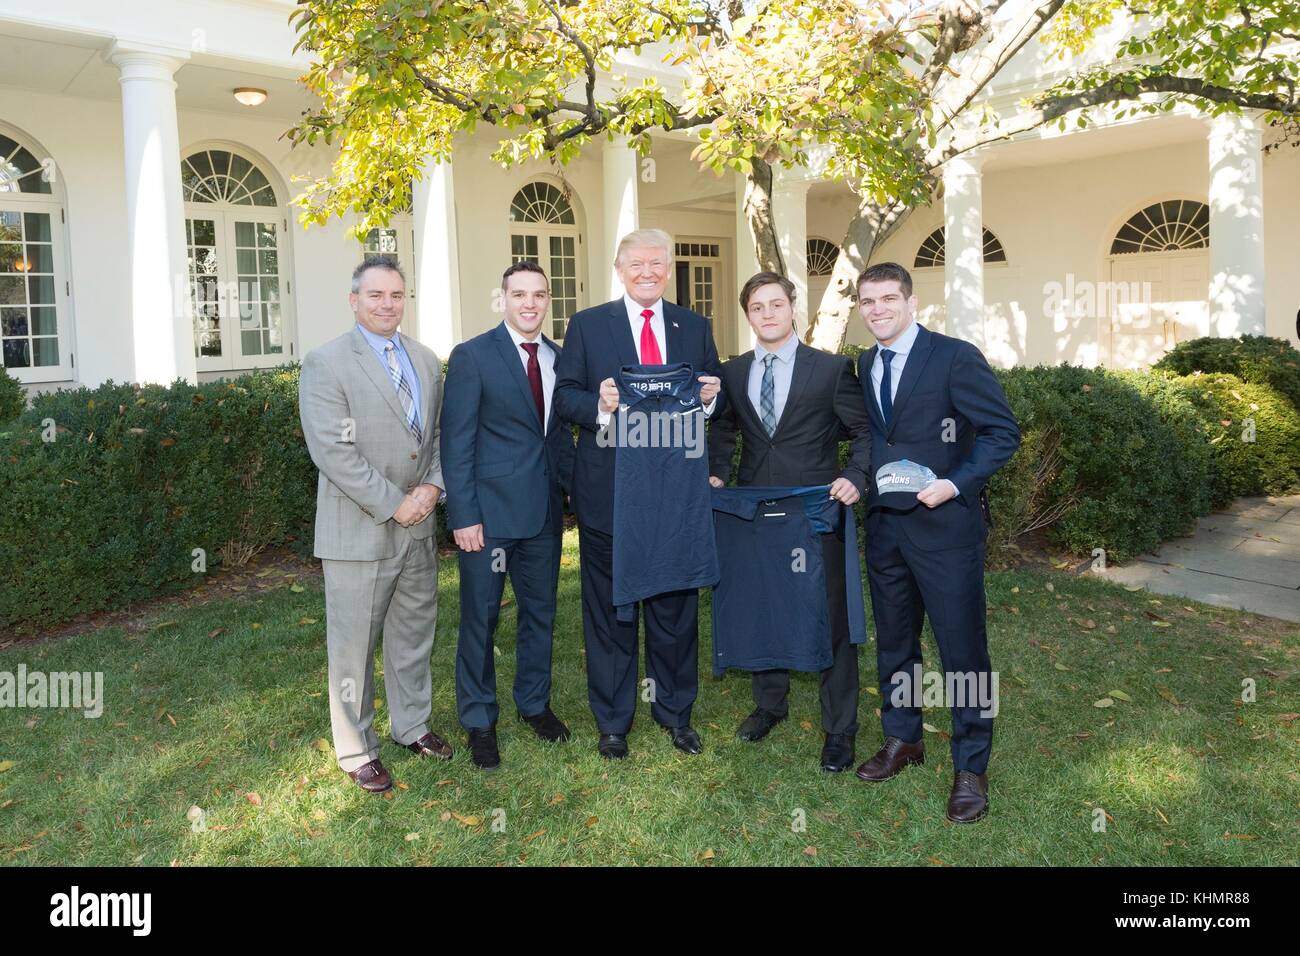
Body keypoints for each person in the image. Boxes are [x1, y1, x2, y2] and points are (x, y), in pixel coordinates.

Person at [852, 261, 1020, 822]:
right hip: (886, 530)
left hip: (946, 530)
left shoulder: (954, 355)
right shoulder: (866, 362)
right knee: (896, 644)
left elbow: (1002, 433)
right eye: (867, 301)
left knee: (962, 652)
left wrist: (954, 484)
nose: (877, 310)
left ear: (911, 301)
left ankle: (971, 765)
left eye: (887, 299)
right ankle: (904, 739)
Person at [553, 228, 723, 759]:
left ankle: (675, 713)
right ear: (619, 268)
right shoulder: (587, 325)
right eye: (637, 264)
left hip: (678, 496)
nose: (647, 272)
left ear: (668, 270)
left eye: (657, 263)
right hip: (610, 494)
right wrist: (601, 404)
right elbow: (565, 398)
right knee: (611, 609)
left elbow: (710, 400)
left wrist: (712, 399)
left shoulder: (693, 327)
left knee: (675, 607)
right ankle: (612, 721)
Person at [298, 257, 453, 794]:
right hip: (358, 530)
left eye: (396, 295)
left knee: (413, 635)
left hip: (419, 528)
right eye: (376, 296)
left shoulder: (426, 359)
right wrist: (395, 502)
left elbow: (436, 436)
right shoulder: (327, 363)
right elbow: (332, 451)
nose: (388, 304)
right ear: (354, 300)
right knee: (353, 647)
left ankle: (412, 726)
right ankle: (357, 748)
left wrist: (432, 488)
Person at [708, 271, 871, 772]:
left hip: (815, 509)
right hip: (756, 510)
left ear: (792, 308)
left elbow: (865, 431)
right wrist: (715, 474)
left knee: (829, 613)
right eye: (757, 307)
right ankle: (769, 705)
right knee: (766, 604)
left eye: (776, 305)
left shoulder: (830, 369)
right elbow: (724, 428)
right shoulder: (734, 373)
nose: (768, 314)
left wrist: (856, 476)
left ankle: (840, 728)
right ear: (749, 315)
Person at [439, 261, 576, 771]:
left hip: (542, 514)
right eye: (519, 294)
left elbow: (558, 438)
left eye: (540, 294)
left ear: (548, 300)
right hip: (488, 520)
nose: (530, 303)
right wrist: (464, 516)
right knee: (482, 618)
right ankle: (479, 720)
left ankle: (534, 704)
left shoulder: (560, 358)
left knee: (540, 614)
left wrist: (575, 497)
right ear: (503, 299)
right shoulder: (473, 356)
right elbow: (456, 443)